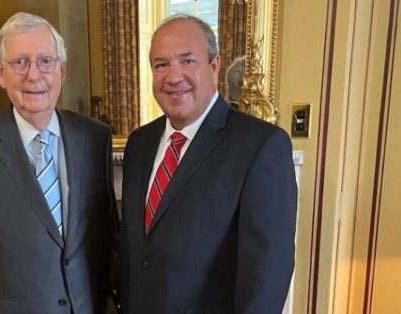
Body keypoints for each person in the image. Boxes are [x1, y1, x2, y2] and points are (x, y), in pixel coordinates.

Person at [119, 14, 297, 313]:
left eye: (187, 61)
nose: (173, 77)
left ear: (214, 66)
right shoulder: (139, 143)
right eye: (161, 64)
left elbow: (266, 278)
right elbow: (134, 254)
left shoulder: (261, 146)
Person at [0, 12, 117, 313]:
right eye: (20, 62)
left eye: (45, 62)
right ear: (1, 73)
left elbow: (108, 238)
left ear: (61, 71)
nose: (34, 75)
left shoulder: (94, 138)